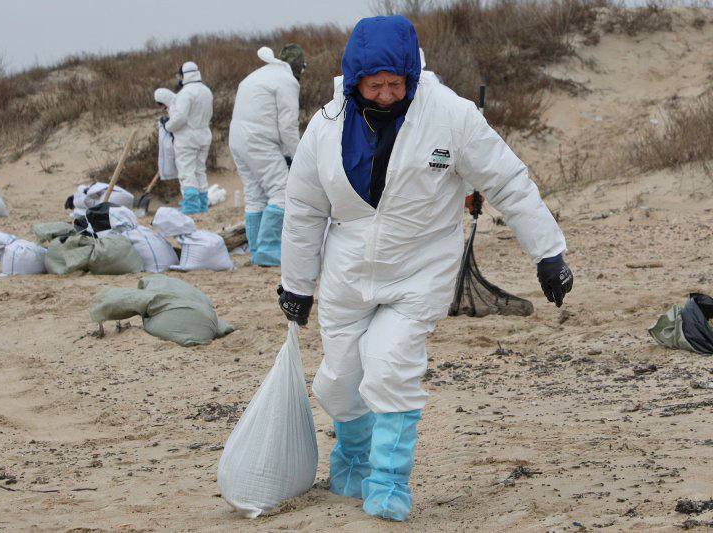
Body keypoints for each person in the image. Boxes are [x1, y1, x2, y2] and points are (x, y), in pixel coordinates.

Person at [277, 16, 573, 522]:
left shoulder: (451, 116)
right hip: (348, 276)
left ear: (412, 75)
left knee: (391, 369)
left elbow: (508, 181)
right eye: (376, 85)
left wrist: (548, 253)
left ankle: (389, 483)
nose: (388, 94)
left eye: (397, 83)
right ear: (355, 82)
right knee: (339, 382)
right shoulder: (327, 124)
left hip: (419, 272)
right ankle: (351, 462)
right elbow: (305, 209)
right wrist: (297, 284)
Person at [229, 44, 305, 266]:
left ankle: (256, 249)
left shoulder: (258, 74)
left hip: (237, 139)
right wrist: (300, 157)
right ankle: (269, 250)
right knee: (281, 191)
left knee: (255, 194)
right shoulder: (287, 81)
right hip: (259, 140)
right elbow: (288, 126)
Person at [164, 61, 213, 215]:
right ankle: (203, 205)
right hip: (204, 135)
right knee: (200, 170)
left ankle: (191, 208)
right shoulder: (206, 91)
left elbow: (180, 117)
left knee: (187, 172)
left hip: (187, 138)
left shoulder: (185, 93)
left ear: (184, 75)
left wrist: (167, 126)